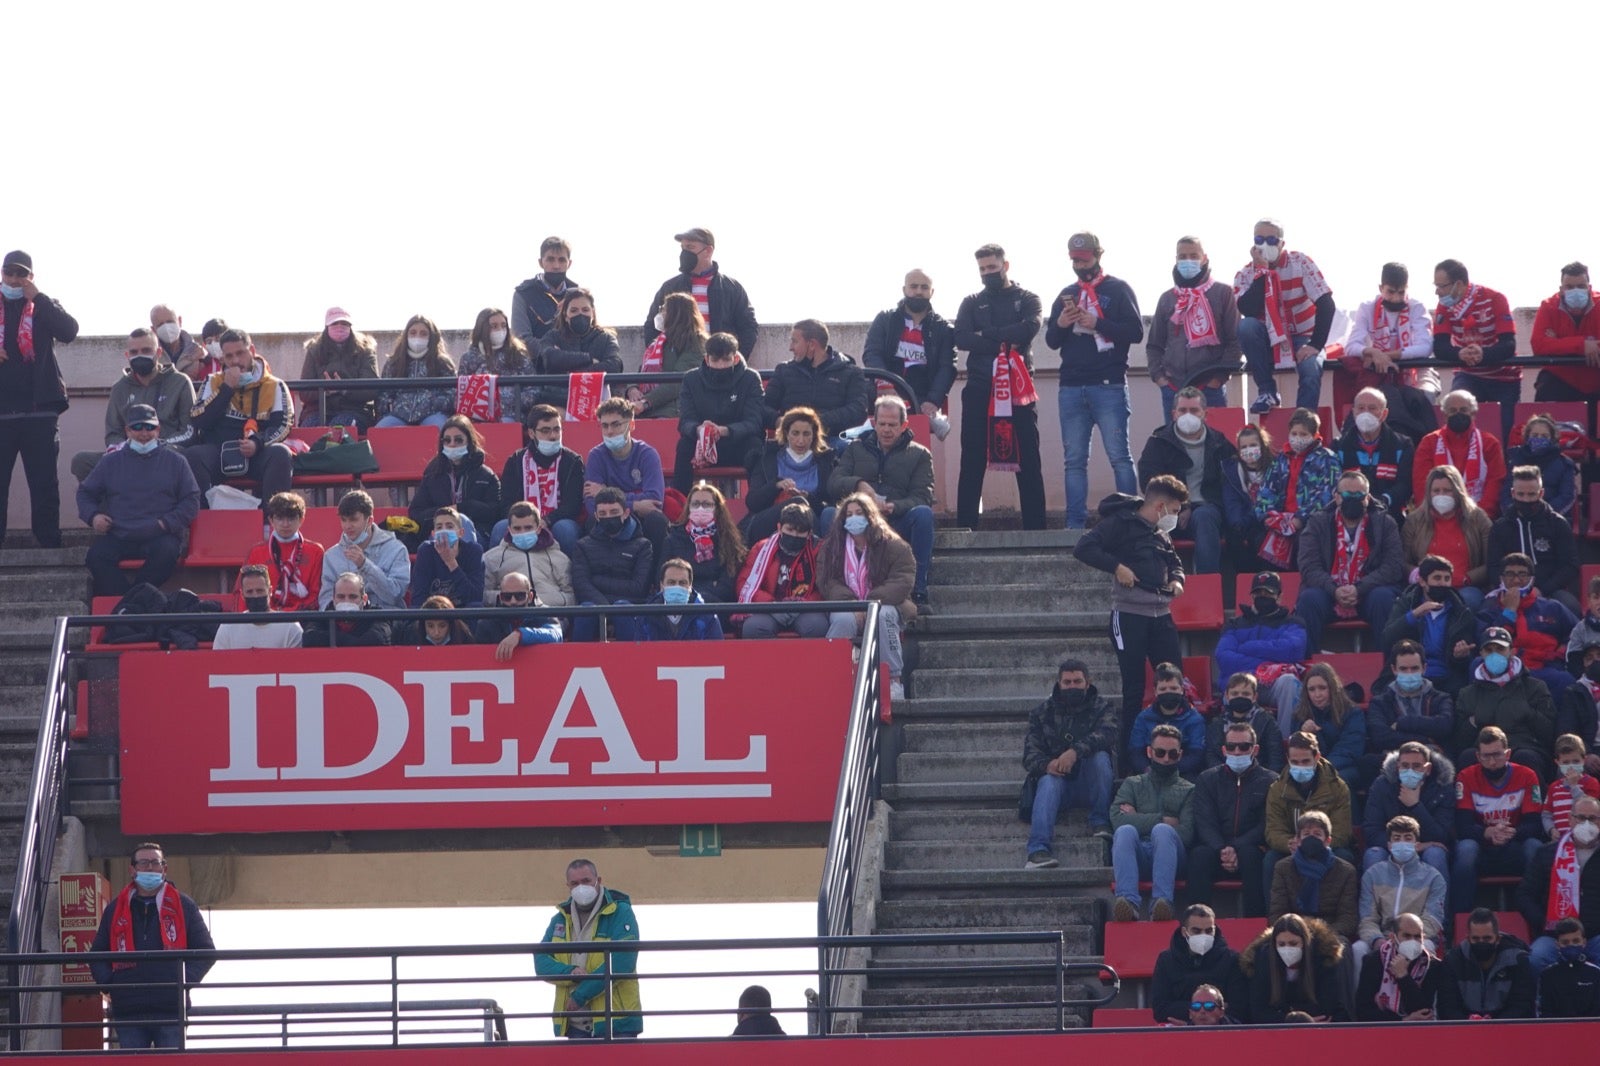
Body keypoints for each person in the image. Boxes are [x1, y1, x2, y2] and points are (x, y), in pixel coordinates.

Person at [1074, 475, 1187, 753]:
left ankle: (1174, 748)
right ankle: (1130, 755)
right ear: (1160, 505)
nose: (1175, 517)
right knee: (1134, 689)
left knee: (1173, 683)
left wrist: (1177, 580)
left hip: (1161, 614)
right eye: (1174, 511)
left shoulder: (1161, 533)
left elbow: (1175, 562)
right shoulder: (1120, 523)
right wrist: (1116, 567)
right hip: (1129, 615)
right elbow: (1084, 548)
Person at [1046, 232, 1143, 527]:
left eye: (1084, 258)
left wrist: (1097, 322)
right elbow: (1051, 341)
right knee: (1074, 461)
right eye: (1075, 259)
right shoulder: (1066, 293)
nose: (1079, 264)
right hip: (1071, 386)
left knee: (1120, 456)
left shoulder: (1119, 289)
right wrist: (1062, 324)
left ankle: (1128, 521)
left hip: (1108, 384)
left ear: (1098, 255)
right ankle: (1074, 524)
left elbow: (1136, 332)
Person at [953, 243, 1046, 530]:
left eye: (992, 267)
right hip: (980, 389)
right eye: (982, 269)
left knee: (1029, 459)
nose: (987, 273)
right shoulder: (970, 302)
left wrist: (987, 335)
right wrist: (1005, 338)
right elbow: (962, 338)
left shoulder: (1029, 298)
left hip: (1019, 391)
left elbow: (1028, 329)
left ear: (1005, 266)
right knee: (972, 458)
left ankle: (1035, 530)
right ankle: (965, 528)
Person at [87, 842, 215, 1050]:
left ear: (164, 869)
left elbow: (206, 952)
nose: (149, 868)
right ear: (132, 870)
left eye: (155, 863)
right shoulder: (115, 909)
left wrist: (181, 981)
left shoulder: (184, 905)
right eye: (144, 863)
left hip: (171, 1009)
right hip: (129, 1010)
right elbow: (96, 955)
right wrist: (113, 985)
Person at [77, 404, 200, 597]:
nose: (144, 433)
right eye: (138, 427)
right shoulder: (110, 462)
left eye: (150, 427)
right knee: (96, 557)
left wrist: (166, 523)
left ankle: (130, 603)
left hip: (160, 535)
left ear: (158, 430)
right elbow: (85, 493)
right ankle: (135, 602)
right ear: (127, 431)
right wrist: (93, 517)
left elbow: (191, 500)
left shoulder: (176, 462)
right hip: (119, 534)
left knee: (167, 552)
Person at [826, 395, 936, 604]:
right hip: (858, 520)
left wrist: (895, 507)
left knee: (923, 515)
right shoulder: (855, 448)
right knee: (828, 514)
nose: (886, 429)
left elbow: (923, 496)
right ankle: (832, 586)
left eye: (892, 425)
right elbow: (834, 483)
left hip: (896, 521)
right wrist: (859, 485)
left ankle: (919, 588)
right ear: (874, 423)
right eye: (882, 424)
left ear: (903, 425)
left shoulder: (920, 455)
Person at [0, 250, 76, 549]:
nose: (15, 279)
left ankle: (48, 546)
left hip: (39, 410)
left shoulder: (44, 305)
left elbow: (69, 331)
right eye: (9, 273)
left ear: (31, 277)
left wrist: (39, 297)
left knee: (44, 484)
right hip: (2, 412)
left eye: (22, 274)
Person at [183, 327, 295, 513]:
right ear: (222, 359)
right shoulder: (212, 382)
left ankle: (272, 524)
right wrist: (226, 389)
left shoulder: (274, 385)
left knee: (281, 454)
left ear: (251, 351)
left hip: (257, 453)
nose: (235, 361)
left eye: (240, 353)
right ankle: (203, 523)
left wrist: (257, 443)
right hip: (219, 451)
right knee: (193, 456)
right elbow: (198, 420)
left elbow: (284, 425)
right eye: (229, 356)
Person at [817, 493, 915, 700]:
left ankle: (893, 680)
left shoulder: (894, 545)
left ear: (870, 516)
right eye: (849, 514)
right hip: (848, 607)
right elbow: (827, 581)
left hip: (885, 605)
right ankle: (832, 677)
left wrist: (870, 602)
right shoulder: (832, 548)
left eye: (859, 513)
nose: (854, 518)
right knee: (842, 620)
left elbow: (902, 580)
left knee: (883, 616)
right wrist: (851, 603)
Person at [1021, 659, 1117, 869]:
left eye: (1077, 681)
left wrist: (1074, 752)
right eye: (1067, 682)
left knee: (1100, 758)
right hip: (1058, 783)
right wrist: (1049, 765)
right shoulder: (1041, 713)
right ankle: (1037, 851)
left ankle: (1100, 822)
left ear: (1087, 683)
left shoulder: (1103, 707)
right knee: (1048, 781)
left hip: (1090, 780)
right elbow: (1029, 754)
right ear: (1059, 683)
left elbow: (1107, 735)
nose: (1072, 686)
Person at [1233, 219, 1336, 414]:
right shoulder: (1245, 273)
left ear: (1282, 243)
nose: (1265, 245)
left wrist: (1315, 344)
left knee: (1311, 368)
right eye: (1259, 239)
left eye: (1272, 240)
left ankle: (1304, 419)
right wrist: (1262, 271)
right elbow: (1247, 309)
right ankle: (1267, 391)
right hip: (1270, 338)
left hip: (1304, 336)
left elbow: (1326, 303)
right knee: (1246, 326)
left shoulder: (1300, 262)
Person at [1296, 470, 1405, 653]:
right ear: (1337, 497)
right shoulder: (1317, 522)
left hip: (1369, 592)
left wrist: (1359, 588)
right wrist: (1334, 589)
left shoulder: (1385, 523)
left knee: (1384, 599)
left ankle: (1389, 666)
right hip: (1329, 592)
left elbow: (1393, 566)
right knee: (1309, 600)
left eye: (1359, 495)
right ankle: (1307, 668)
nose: (1352, 499)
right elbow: (1308, 566)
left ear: (1368, 498)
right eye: (1347, 495)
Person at [534, 858, 641, 1039]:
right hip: (574, 1026)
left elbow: (623, 961)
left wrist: (581, 995)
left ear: (598, 880)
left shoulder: (620, 912)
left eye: (586, 881)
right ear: (567, 885)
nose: (580, 887)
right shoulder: (560, 919)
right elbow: (541, 962)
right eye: (574, 883)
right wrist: (570, 972)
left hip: (617, 1024)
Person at [71, 328, 195, 482]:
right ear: (127, 356)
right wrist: (128, 449)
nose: (140, 355)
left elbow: (189, 430)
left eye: (146, 350)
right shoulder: (119, 388)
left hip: (167, 451)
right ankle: (112, 504)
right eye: (134, 352)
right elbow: (113, 433)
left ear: (159, 352)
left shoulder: (180, 382)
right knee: (82, 461)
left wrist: (158, 445)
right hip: (128, 453)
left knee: (176, 456)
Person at [1135, 387, 1236, 573]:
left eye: (1194, 410)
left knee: (1204, 517)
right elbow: (1149, 482)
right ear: (1174, 414)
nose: (1187, 415)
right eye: (1182, 410)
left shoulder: (1220, 444)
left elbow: (1231, 485)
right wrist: (1180, 506)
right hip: (1167, 510)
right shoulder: (1158, 442)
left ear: (1205, 414)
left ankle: (1207, 584)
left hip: (1208, 512)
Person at [1146, 235, 1242, 423]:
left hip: (1209, 388)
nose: (1187, 261)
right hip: (1174, 389)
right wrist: (1161, 380)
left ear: (1204, 258)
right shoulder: (1167, 299)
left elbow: (1235, 340)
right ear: (1176, 260)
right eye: (1182, 257)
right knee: (1175, 448)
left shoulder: (1223, 293)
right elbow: (1154, 345)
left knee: (1215, 446)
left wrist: (1217, 380)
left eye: (1193, 256)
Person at [1453, 725, 1547, 916]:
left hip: (1516, 841)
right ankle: (1458, 919)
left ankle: (1541, 916)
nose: (1492, 761)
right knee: (1465, 850)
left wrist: (1512, 832)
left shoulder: (1527, 775)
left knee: (1535, 848)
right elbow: (1463, 826)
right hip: (1482, 844)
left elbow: (1535, 824)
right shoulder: (1466, 776)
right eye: (1486, 756)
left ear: (1508, 754)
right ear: (1478, 756)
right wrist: (1487, 833)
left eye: (1497, 754)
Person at [1190, 722, 1278, 916]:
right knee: (1199, 856)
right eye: (1231, 747)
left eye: (1244, 747)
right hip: (1216, 850)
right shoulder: (1207, 779)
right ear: (1223, 750)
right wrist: (1222, 849)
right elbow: (1204, 820)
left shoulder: (1272, 781)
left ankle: (1255, 924)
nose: (1237, 752)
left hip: (1250, 849)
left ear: (1255, 749)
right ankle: (1196, 922)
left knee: (1251, 856)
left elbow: (1266, 823)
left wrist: (1235, 847)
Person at [1110, 724, 1195, 923]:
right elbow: (1117, 819)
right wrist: (1162, 819)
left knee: (1163, 832)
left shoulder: (1190, 789)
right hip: (1138, 852)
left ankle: (1162, 903)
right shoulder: (1132, 783)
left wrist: (1139, 817)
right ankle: (1128, 904)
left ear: (1180, 755)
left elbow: (1187, 833)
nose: (1166, 759)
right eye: (1160, 752)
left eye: (1172, 754)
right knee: (1125, 831)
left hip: (1172, 855)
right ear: (1149, 752)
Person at [1433, 259, 1521, 441]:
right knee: (1456, 417)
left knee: (1506, 434)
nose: (1437, 292)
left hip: (1503, 377)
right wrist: (1459, 354)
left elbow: (1508, 344)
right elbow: (1440, 347)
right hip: (1468, 374)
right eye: (1436, 286)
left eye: (1441, 286)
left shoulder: (1495, 299)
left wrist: (1484, 354)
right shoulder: (1444, 306)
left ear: (1458, 284)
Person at [1470, 578, 1571, 732]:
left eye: (1522, 573)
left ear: (1532, 578)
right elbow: (1486, 640)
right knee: (1476, 664)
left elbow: (1575, 635)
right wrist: (1509, 611)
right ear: (1501, 577)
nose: (1516, 579)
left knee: (1566, 680)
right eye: (1510, 573)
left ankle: (1560, 739)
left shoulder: (1552, 607)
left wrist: (1559, 653)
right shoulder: (1489, 608)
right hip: (1500, 668)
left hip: (1541, 668)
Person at [1214, 572, 1308, 736]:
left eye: (1269, 593)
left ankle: (1285, 741)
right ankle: (1235, 745)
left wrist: (1247, 647)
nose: (1263, 596)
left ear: (1279, 597)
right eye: (1258, 593)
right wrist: (1264, 665)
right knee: (1236, 687)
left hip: (1275, 684)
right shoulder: (1234, 624)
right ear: (1251, 596)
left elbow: (1292, 650)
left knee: (1289, 682)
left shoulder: (1293, 622)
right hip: (1241, 683)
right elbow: (1223, 657)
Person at [861, 269, 957, 426]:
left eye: (924, 287)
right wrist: (884, 382)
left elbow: (946, 368)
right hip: (882, 392)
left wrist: (933, 401)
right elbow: (872, 353)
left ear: (932, 292)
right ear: (904, 290)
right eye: (913, 286)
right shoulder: (885, 319)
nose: (918, 291)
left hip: (920, 398)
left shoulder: (943, 328)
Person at [643, 227, 758, 358]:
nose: (684, 253)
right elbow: (652, 326)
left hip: (720, 367)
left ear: (708, 251)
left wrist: (733, 360)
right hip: (679, 368)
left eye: (690, 247)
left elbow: (748, 328)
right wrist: (664, 359)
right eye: (683, 248)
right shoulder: (670, 287)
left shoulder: (732, 289)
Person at [1263, 733, 1353, 899]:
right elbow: (1273, 830)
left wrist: (1316, 844)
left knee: (1345, 858)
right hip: (1292, 847)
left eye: (1305, 761)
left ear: (1317, 757)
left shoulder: (1338, 788)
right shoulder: (1277, 789)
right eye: (1295, 762)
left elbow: (1342, 831)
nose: (1300, 766)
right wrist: (1289, 843)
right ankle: (1274, 918)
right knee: (1271, 859)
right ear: (1287, 759)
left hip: (1326, 846)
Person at [1353, 816, 1448, 971]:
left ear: (1417, 845)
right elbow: (1367, 918)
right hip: (1382, 936)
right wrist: (1377, 940)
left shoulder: (1433, 878)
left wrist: (1407, 940)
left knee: (1428, 950)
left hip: (1418, 937)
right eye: (1397, 838)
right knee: (1358, 950)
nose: (1402, 843)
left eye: (1408, 838)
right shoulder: (1372, 875)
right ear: (1389, 845)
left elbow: (1433, 919)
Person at [674, 331, 764, 493]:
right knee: (684, 446)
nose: (721, 365)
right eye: (715, 360)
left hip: (738, 444)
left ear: (735, 358)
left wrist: (726, 431)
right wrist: (700, 429)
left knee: (755, 447)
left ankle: (758, 506)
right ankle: (680, 506)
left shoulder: (750, 379)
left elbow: (754, 422)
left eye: (726, 360)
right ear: (707, 359)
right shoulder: (691, 380)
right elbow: (685, 421)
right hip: (702, 444)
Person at [1518, 795, 1600, 973]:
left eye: (1593, 818)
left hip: (1595, 936)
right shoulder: (1547, 853)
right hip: (1554, 936)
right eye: (1580, 817)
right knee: (1536, 958)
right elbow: (1525, 894)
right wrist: (1544, 922)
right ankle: (1541, 1001)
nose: (1586, 823)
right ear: (1570, 820)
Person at [1344, 261, 1442, 407]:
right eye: (1390, 292)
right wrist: (1373, 352)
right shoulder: (1367, 308)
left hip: (1418, 367)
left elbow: (1425, 348)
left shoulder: (1417, 308)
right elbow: (1351, 346)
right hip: (1378, 370)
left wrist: (1386, 356)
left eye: (1401, 292)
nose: (1396, 298)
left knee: (1424, 397)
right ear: (1381, 288)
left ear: (1407, 289)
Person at [584, 397, 668, 565]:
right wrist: (636, 504)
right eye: (605, 425)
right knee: (593, 521)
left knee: (657, 521)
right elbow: (591, 504)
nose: (609, 432)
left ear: (631, 425)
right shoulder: (595, 456)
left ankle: (656, 580)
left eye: (616, 425)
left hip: (642, 521)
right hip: (610, 518)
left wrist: (606, 492)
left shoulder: (647, 454)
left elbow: (654, 501)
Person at [1253, 408, 1340, 569]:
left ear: (1315, 435)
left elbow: (1326, 495)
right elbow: (1266, 490)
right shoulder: (1280, 459)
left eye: (1303, 434)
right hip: (1279, 520)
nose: (1297, 438)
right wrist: (1268, 516)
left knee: (1304, 540)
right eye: (1294, 434)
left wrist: (1300, 519)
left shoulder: (1328, 459)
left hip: (1309, 522)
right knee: (1256, 539)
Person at [1489, 466, 1582, 617]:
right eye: (1521, 494)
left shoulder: (1557, 524)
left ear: (1541, 493)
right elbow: (1493, 566)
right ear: (1512, 493)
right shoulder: (1500, 527)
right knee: (1485, 609)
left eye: (1531, 494)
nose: (1526, 499)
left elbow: (1570, 565)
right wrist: (1508, 588)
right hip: (1509, 590)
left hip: (1549, 591)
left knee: (1570, 606)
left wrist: (1543, 590)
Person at [1399, 469, 1492, 616]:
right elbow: (1402, 560)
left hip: (1465, 588)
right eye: (1436, 490)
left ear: (1458, 491)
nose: (1441, 495)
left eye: (1447, 490)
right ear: (1429, 493)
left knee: (1466, 602)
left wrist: (1469, 578)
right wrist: (1417, 575)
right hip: (1425, 589)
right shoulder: (1414, 520)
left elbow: (1492, 561)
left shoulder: (1477, 518)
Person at [762, 319, 870, 444]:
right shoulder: (783, 370)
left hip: (833, 441)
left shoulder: (851, 372)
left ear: (812, 344)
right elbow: (763, 407)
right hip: (791, 441)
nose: (790, 348)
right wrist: (779, 421)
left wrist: (816, 421)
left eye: (794, 341)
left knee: (850, 449)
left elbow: (858, 410)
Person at [498, 404, 585, 556]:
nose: (552, 435)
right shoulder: (516, 460)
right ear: (531, 433)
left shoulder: (573, 461)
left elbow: (573, 505)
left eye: (557, 429)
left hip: (558, 520)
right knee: (500, 527)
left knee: (565, 529)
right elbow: (506, 502)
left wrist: (547, 520)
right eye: (545, 430)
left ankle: (570, 577)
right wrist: (526, 522)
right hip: (522, 520)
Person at [1362, 741, 1455, 879]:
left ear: (1428, 769)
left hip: (1428, 848)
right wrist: (1409, 846)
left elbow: (1441, 835)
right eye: (1405, 766)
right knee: (1374, 854)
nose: (1410, 771)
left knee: (1435, 854)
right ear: (1398, 766)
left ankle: (1439, 901)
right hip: (1392, 847)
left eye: (1416, 766)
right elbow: (1372, 832)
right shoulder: (1382, 785)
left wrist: (1415, 806)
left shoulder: (1443, 788)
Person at [742, 406, 836, 544]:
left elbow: (828, 505)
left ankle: (820, 555)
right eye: (795, 433)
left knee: (814, 508)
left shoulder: (826, 462)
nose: (800, 440)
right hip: (767, 520)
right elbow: (752, 502)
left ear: (814, 435)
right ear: (786, 433)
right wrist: (776, 486)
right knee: (798, 503)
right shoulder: (767, 458)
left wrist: (808, 497)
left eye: (806, 434)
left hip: (810, 522)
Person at [733, 502, 826, 639]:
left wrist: (804, 604)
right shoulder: (761, 549)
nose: (794, 535)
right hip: (770, 608)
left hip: (806, 608)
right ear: (779, 527)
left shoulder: (820, 550)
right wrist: (772, 604)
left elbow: (825, 586)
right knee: (753, 627)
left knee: (817, 627)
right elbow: (744, 583)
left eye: (800, 532)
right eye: (790, 530)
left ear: (809, 533)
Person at [1412, 389, 1508, 519]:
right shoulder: (1429, 442)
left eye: (1463, 410)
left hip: (1479, 519)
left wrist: (1480, 516)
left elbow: (1495, 483)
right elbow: (1421, 483)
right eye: (1452, 411)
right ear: (1445, 416)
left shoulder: (1489, 443)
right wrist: (1433, 515)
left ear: (1473, 414)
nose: (1458, 414)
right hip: (1436, 517)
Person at [570, 487, 650, 642]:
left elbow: (639, 588)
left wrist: (597, 581)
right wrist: (605, 609)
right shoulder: (582, 546)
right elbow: (581, 585)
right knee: (586, 610)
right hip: (594, 608)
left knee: (623, 608)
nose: (608, 517)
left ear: (626, 513)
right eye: (603, 514)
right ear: (596, 516)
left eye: (614, 512)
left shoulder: (643, 546)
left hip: (629, 610)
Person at [1268, 810, 1360, 943]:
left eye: (1317, 834)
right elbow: (1277, 913)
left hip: (1330, 934)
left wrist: (1322, 936)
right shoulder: (1283, 868)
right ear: (1298, 840)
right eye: (1306, 834)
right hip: (1292, 933)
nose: (1311, 839)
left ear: (1327, 840)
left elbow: (1348, 918)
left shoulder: (1346, 871)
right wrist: (1297, 936)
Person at [409, 415, 502, 545]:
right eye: (447, 440)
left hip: (477, 535)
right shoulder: (432, 474)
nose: (452, 444)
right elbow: (416, 512)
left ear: (469, 442)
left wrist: (463, 508)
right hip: (439, 533)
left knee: (463, 521)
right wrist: (445, 514)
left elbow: (496, 512)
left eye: (458, 440)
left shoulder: (486, 476)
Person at [1239, 912, 1348, 1023]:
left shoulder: (1323, 959)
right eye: (1281, 944)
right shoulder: (1263, 960)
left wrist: (1286, 1013)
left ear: (1305, 943)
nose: (1287, 949)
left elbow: (1327, 1006)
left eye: (1293, 943)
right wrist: (1295, 1020)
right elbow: (1259, 1011)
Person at [1366, 639, 1460, 766]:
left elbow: (1444, 725)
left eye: (1414, 668)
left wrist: (1402, 723)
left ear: (1424, 668)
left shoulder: (1441, 698)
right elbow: (1380, 737)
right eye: (1403, 669)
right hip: (1393, 760)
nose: (1409, 674)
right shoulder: (1380, 702)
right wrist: (1425, 739)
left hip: (1432, 760)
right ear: (1394, 669)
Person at [1149, 905, 1242, 1025]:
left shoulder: (1231, 960)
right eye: (1196, 931)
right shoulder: (1166, 960)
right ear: (1184, 932)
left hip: (1222, 1031)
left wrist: (1190, 1013)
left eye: (1209, 931)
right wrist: (1209, 1008)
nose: (1203, 935)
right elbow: (1160, 1009)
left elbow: (1238, 1008)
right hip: (1177, 1032)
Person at [1436, 907, 1535, 1019]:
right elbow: (1447, 1007)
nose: (1481, 943)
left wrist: (1494, 1024)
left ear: (1498, 939)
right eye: (1476, 939)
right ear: (1468, 939)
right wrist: (1467, 1022)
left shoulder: (1517, 961)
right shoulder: (1452, 962)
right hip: (1463, 1029)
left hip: (1507, 1029)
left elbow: (1523, 1006)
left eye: (1487, 939)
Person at [320, 489, 411, 610]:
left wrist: (365, 565)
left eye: (353, 519)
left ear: (370, 520)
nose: (347, 526)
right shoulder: (331, 556)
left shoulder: (396, 549)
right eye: (343, 520)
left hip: (384, 618)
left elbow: (395, 596)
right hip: (343, 622)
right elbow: (325, 601)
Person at [534, 289, 624, 406]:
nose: (580, 314)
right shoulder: (552, 336)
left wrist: (571, 374)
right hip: (558, 403)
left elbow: (614, 366)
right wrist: (589, 359)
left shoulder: (607, 338)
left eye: (585, 310)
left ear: (593, 313)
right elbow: (549, 358)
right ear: (566, 315)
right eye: (574, 310)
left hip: (599, 404)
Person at [662, 482, 745, 606]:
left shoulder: (728, 541)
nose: (700, 508)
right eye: (695, 504)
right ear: (689, 507)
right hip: (678, 601)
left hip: (714, 605)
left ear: (717, 508)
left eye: (706, 504)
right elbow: (662, 577)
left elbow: (727, 587)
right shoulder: (673, 539)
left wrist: (698, 597)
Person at [1334, 387, 1415, 515]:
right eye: (1361, 408)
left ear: (1384, 414)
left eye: (1372, 408)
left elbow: (1405, 485)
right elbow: (1335, 485)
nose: (1365, 413)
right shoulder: (1338, 447)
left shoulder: (1403, 445)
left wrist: (1382, 501)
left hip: (1389, 516)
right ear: (1353, 412)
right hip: (1348, 515)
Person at [1529, 260, 1600, 403]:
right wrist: (1583, 345)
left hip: (1595, 379)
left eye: (1581, 286)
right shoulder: (1549, 307)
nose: (1575, 291)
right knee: (1546, 387)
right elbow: (1538, 345)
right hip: (1560, 380)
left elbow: (1547, 345)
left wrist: (1558, 342)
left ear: (1589, 288)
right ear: (1561, 289)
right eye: (1569, 287)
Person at [483, 501, 574, 610]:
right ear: (509, 530)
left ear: (539, 528)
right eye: (517, 528)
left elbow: (571, 596)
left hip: (550, 616)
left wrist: (538, 601)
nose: (523, 532)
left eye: (528, 528)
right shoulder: (491, 558)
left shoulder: (560, 558)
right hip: (507, 617)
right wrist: (512, 598)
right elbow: (483, 594)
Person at [1353, 911, 1443, 1022]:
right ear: (1392, 937)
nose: (1413, 941)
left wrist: (1403, 976)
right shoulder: (1374, 961)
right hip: (1381, 1032)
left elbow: (1424, 1013)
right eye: (1406, 936)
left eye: (1417, 937)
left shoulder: (1431, 965)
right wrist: (1403, 1020)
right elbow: (1363, 1011)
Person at [298, 306, 379, 428]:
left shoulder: (365, 350)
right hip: (317, 411)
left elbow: (372, 389)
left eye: (344, 323)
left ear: (350, 326)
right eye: (335, 323)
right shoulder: (314, 350)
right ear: (327, 326)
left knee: (340, 426)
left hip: (355, 411)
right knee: (312, 426)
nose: (340, 327)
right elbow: (305, 392)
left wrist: (345, 389)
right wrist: (325, 390)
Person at [242, 492, 324, 612]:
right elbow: (243, 592)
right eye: (280, 518)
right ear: (271, 520)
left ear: (301, 519)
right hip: (264, 616)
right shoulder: (256, 552)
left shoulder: (316, 551)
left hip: (303, 618)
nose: (285, 524)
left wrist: (287, 614)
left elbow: (316, 595)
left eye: (291, 518)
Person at [1292, 662, 1368, 791]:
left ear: (1332, 688)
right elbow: (1294, 752)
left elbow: (1349, 750)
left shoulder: (1352, 712)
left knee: (1335, 782)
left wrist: (1321, 770)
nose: (1317, 694)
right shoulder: (1300, 715)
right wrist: (1303, 736)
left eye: (1322, 688)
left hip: (1345, 768)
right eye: (1312, 689)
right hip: (1309, 767)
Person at [631, 292, 706, 420]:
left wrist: (647, 401)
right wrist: (632, 389)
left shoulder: (695, 341)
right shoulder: (659, 342)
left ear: (676, 313)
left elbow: (680, 380)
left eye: (664, 309)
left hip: (672, 411)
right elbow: (642, 371)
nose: (661, 314)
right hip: (646, 410)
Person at [457, 306, 537, 425]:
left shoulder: (518, 355)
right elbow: (460, 393)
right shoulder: (469, 358)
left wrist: (505, 401)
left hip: (511, 416)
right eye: (494, 326)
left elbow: (533, 389)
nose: (500, 330)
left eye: (503, 325)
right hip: (476, 419)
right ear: (482, 328)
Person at [1127, 662, 1208, 779]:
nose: (1168, 692)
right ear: (1155, 691)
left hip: (1183, 774)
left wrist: (1170, 771)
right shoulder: (1143, 718)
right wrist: (1148, 770)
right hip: (1149, 774)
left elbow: (1196, 755)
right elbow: (1135, 752)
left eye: (1173, 688)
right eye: (1163, 689)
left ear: (1182, 689)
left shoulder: (1195, 719)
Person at [375, 314, 456, 428]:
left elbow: (452, 394)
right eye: (413, 333)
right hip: (398, 416)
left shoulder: (442, 362)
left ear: (431, 337)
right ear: (406, 336)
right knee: (380, 430)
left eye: (423, 334)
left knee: (442, 428)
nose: (417, 337)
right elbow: (383, 394)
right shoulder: (394, 362)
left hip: (433, 414)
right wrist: (394, 405)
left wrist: (431, 403)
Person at [1501, 415, 1579, 520]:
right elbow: (1506, 494)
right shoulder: (1516, 459)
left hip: (1552, 520)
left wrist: (1545, 513)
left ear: (1552, 439)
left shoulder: (1565, 464)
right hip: (1518, 518)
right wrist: (1515, 514)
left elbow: (1567, 496)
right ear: (1527, 437)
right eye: (1535, 435)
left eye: (1544, 436)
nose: (1539, 439)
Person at [1220, 423, 1275, 569]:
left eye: (1253, 445)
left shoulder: (1275, 469)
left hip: (1268, 521)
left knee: (1263, 539)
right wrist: (1239, 524)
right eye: (1243, 447)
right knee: (1234, 539)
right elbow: (1232, 503)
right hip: (1243, 523)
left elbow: (1275, 499)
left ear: (1262, 446)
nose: (1248, 450)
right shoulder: (1231, 472)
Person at [1205, 674, 1285, 773]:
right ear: (1227, 696)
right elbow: (1211, 755)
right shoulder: (1217, 723)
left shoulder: (1267, 721)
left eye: (1246, 694)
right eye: (1235, 694)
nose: (1240, 697)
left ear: (1255, 696)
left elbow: (1275, 757)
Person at [212, 564, 304, 649]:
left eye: (260, 591)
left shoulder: (290, 627)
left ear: (270, 591)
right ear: (242, 594)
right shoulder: (227, 629)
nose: (255, 596)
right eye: (250, 592)